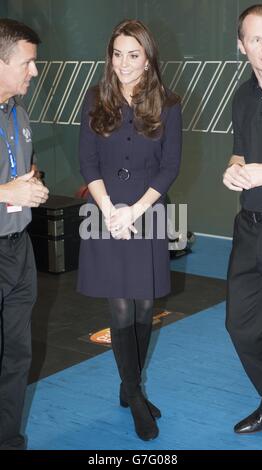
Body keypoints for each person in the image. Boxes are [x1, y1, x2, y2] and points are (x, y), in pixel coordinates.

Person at [78, 19, 182, 441]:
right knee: (120, 308)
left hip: (148, 211)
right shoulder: (94, 98)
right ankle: (136, 396)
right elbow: (88, 162)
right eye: (117, 54)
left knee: (143, 308)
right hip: (103, 213)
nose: (123, 63)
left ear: (148, 58)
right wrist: (109, 211)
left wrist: (134, 212)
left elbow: (169, 167)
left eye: (133, 55)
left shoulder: (169, 104)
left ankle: (128, 385)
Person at [0, 19, 49, 450]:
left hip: (19, 250)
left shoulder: (19, 111)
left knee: (18, 356)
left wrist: (29, 184)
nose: (34, 72)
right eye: (27, 63)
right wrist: (5, 191)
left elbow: (18, 171)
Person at [223, 4, 262, 434]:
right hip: (250, 226)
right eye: (255, 39)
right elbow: (240, 149)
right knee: (240, 324)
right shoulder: (242, 94)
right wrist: (233, 169)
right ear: (241, 46)